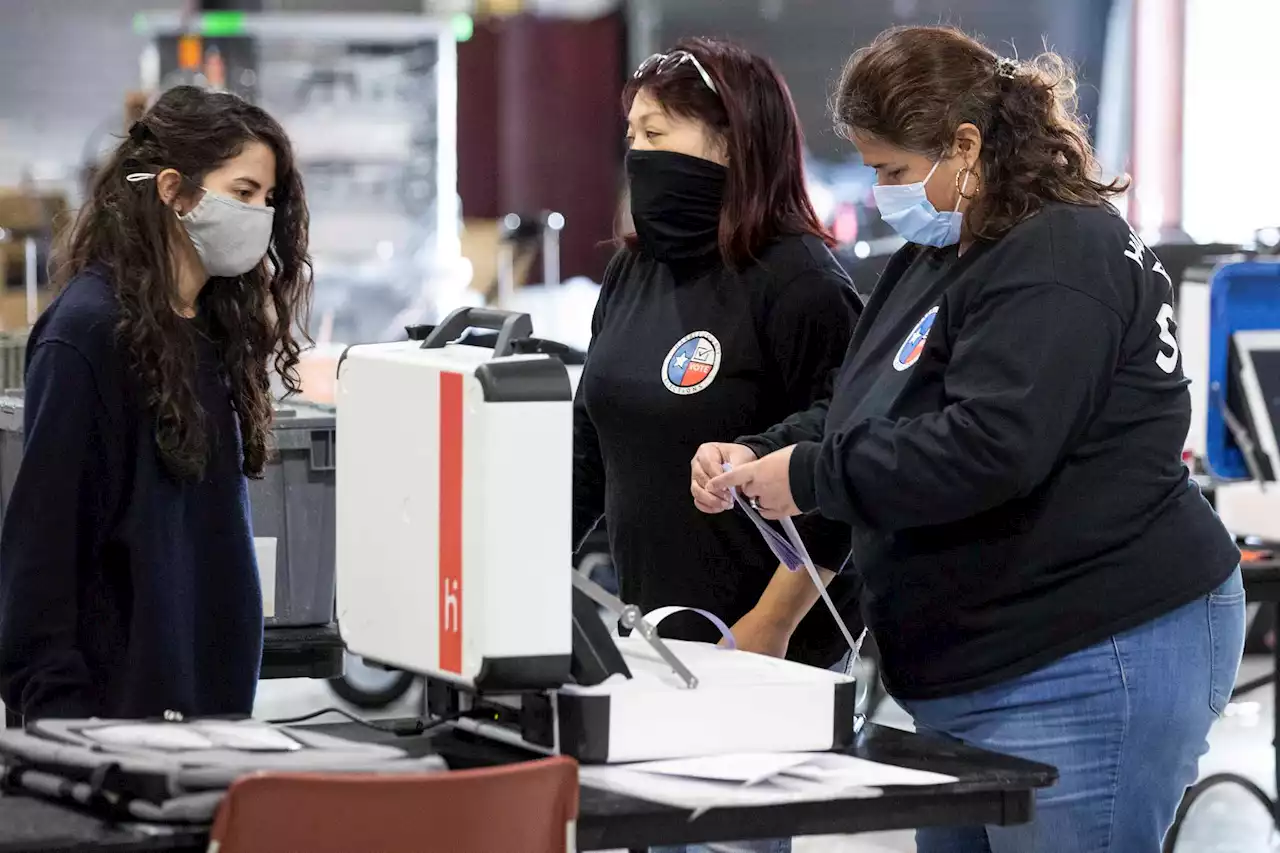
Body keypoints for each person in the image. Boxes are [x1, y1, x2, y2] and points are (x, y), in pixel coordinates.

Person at [694, 26, 1245, 853]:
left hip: (1091, 647)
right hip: (974, 664)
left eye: (892, 171)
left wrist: (810, 475)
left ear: (965, 144)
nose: (881, 191)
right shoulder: (947, 247)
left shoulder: (1062, 250)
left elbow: (992, 447)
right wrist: (762, 451)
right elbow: (869, 405)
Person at [573, 38, 863, 851]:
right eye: (631, 134)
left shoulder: (800, 279)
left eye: (658, 133)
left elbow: (849, 464)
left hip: (760, 649)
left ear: (730, 141)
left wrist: (769, 624)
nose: (637, 152)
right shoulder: (632, 275)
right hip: (652, 644)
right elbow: (590, 450)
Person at [0, 85, 312, 722]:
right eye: (244, 193)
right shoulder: (86, 336)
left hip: (209, 726)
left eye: (269, 199)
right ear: (172, 190)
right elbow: (38, 573)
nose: (260, 215)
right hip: (111, 739)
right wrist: (71, 736)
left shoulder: (210, 326)